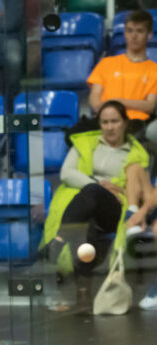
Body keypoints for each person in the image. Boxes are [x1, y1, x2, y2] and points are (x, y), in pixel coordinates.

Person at [41, 100, 149, 314]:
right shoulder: (85, 143)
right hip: (85, 204)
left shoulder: (136, 154)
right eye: (105, 122)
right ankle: (83, 294)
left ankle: (58, 241)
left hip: (114, 207)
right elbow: (67, 173)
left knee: (92, 193)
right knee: (86, 220)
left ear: (125, 123)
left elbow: (138, 190)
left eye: (115, 121)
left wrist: (108, 190)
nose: (109, 127)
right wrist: (98, 183)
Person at [88, 10, 157, 150]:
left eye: (139, 31)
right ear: (124, 33)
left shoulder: (154, 69)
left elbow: (149, 106)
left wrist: (118, 102)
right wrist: (106, 111)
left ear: (149, 35)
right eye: (129, 31)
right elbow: (94, 96)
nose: (134, 36)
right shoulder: (106, 63)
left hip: (135, 123)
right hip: (103, 120)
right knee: (74, 136)